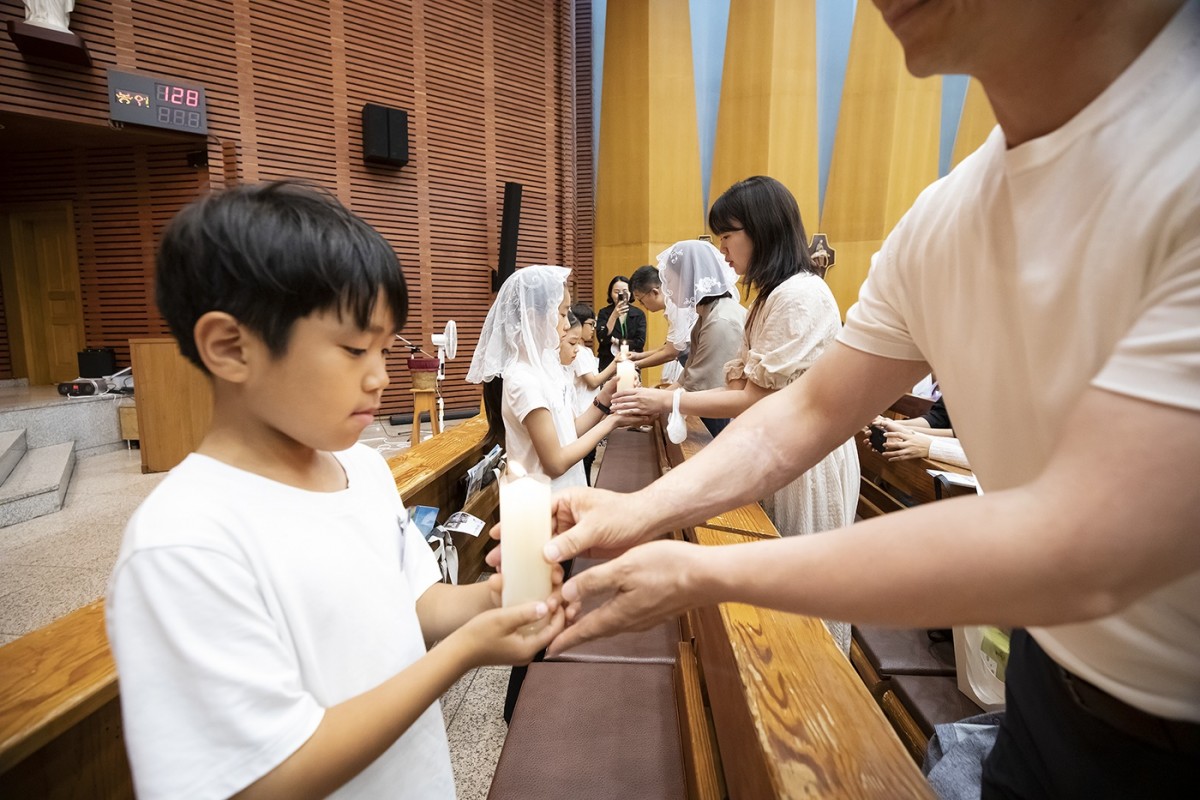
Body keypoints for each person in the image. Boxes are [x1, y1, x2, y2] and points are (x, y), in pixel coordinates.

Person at [536, 2, 1200, 796]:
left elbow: (1081, 544)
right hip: (1051, 669)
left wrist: (704, 572)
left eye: (728, 236)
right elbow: (805, 413)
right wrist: (640, 512)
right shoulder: (944, 217)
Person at [105, 181, 565, 800]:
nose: (380, 376)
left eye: (385, 348)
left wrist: (490, 602)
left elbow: (416, 604)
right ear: (230, 347)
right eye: (353, 350)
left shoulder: (364, 470)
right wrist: (461, 655)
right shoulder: (185, 542)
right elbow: (262, 778)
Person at [614, 179, 859, 652]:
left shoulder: (800, 296)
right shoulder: (770, 296)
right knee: (775, 587)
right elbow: (738, 388)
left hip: (808, 459)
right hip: (778, 447)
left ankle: (814, 687)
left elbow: (750, 398)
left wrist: (667, 401)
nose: (722, 250)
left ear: (762, 230)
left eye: (728, 236)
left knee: (805, 593)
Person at [469, 265, 627, 492]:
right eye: (562, 314)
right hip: (544, 501)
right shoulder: (523, 379)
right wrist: (613, 422)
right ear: (533, 317)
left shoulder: (549, 366)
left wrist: (606, 394)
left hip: (568, 492)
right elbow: (555, 463)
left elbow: (571, 430)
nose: (567, 324)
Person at [627, 240, 747, 438]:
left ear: (689, 279)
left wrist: (655, 402)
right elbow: (688, 377)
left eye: (670, 280)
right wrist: (650, 400)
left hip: (722, 416)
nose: (668, 289)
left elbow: (704, 387)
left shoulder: (720, 320)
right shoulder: (706, 315)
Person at [595, 274, 647, 372]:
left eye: (625, 291)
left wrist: (617, 341)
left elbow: (640, 342)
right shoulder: (604, 313)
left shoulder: (638, 314)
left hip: (631, 361)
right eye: (616, 292)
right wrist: (614, 316)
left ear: (631, 293)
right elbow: (602, 339)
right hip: (608, 363)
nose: (621, 295)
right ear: (610, 294)